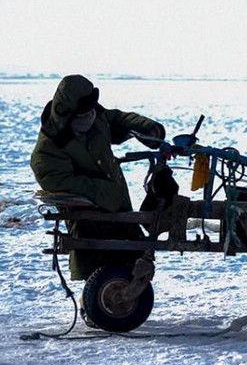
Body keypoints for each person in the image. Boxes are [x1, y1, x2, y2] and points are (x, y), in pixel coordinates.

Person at [31, 74, 166, 281]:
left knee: (134, 253)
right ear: (70, 110)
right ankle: (107, 303)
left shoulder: (94, 117)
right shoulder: (49, 149)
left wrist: (146, 128)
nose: (92, 113)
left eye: (93, 108)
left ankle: (112, 302)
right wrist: (106, 192)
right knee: (106, 263)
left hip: (116, 207)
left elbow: (118, 119)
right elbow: (59, 182)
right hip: (89, 218)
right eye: (86, 110)